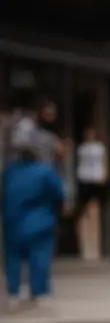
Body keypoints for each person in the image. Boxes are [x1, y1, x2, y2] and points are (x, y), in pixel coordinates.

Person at [3, 122, 65, 309]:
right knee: (39, 257)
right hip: (40, 222)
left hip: (13, 223)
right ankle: (39, 293)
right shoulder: (45, 172)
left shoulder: (9, 172)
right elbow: (59, 194)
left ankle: (14, 293)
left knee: (13, 258)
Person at [74, 127, 109, 261]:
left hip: (96, 178)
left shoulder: (99, 147)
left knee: (94, 209)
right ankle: (84, 246)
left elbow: (104, 161)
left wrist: (104, 175)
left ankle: (95, 246)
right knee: (83, 211)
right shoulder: (81, 148)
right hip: (84, 178)